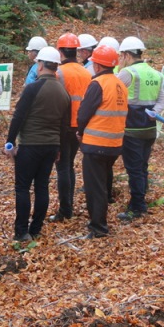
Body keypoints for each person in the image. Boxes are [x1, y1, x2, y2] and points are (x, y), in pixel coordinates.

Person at [4, 47, 70, 241]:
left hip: (30, 145)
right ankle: (36, 229)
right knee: (42, 187)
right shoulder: (63, 92)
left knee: (23, 188)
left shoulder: (33, 88)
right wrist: (59, 148)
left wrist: (9, 142)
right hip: (50, 146)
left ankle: (21, 231)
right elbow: (64, 125)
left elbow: (18, 116)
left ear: (40, 65)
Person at [77, 46, 128, 238]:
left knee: (95, 187)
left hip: (96, 144)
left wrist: (80, 132)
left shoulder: (97, 84)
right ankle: (99, 221)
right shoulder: (120, 85)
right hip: (114, 145)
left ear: (96, 65)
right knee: (102, 185)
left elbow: (83, 114)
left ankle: (98, 227)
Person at [116, 37, 164, 221]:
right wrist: (153, 112)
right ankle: (141, 198)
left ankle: (137, 206)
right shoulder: (156, 74)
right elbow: (162, 100)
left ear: (127, 55)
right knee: (142, 166)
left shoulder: (128, 73)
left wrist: (121, 69)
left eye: (122, 55)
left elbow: (111, 92)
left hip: (131, 129)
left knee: (134, 169)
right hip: (149, 128)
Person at [49, 33, 92, 223]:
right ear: (76, 51)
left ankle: (66, 210)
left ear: (60, 52)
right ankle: (68, 206)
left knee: (63, 167)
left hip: (64, 126)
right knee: (69, 166)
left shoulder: (59, 73)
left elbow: (57, 102)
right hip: (80, 126)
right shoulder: (86, 72)